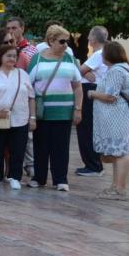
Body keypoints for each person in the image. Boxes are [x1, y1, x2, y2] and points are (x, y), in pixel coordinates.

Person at [27, 24, 83, 191]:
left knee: (61, 147)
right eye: (62, 41)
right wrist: (30, 115)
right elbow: (28, 86)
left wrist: (78, 109)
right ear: (51, 41)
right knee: (40, 146)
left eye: (68, 41)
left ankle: (61, 179)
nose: (66, 45)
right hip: (42, 111)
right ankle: (39, 178)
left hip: (64, 111)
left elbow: (77, 86)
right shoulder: (36, 59)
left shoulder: (70, 60)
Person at [0, 44, 33, 189]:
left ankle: (15, 176)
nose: (12, 59)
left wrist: (32, 117)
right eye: (8, 55)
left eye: (14, 56)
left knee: (18, 149)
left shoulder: (23, 74)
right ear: (1, 57)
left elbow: (31, 97)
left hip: (20, 117)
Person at [93, 41, 129, 200]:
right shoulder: (124, 68)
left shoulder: (117, 71)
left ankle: (120, 189)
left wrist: (92, 94)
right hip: (117, 117)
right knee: (118, 151)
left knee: (121, 152)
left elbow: (110, 96)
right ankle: (116, 186)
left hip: (117, 117)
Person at [76, 25, 109, 177]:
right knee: (89, 129)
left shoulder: (98, 55)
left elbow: (79, 71)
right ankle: (93, 163)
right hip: (94, 91)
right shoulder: (103, 53)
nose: (87, 39)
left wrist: (85, 71)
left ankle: (93, 165)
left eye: (89, 36)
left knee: (86, 129)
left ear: (94, 39)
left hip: (89, 93)